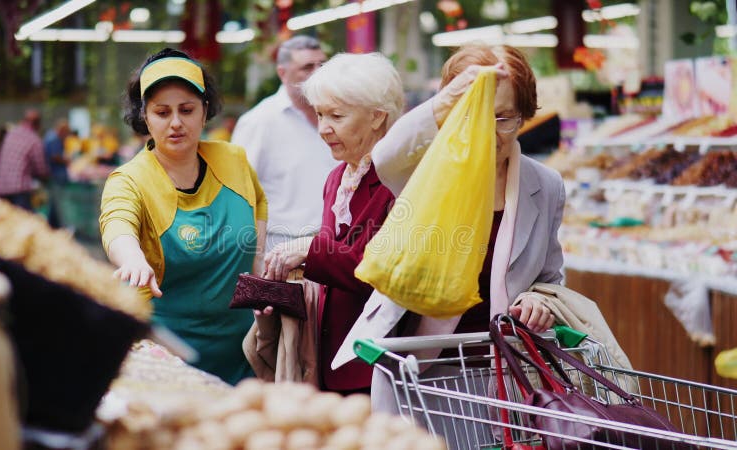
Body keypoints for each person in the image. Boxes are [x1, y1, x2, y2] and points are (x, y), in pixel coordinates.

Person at [334, 44, 565, 410]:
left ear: (524, 115)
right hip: (418, 365)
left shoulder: (546, 185)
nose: (489, 132)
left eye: (503, 118)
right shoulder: (427, 166)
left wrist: (539, 299)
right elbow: (386, 156)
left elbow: (551, 277)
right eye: (475, 115)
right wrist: (451, 98)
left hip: (499, 373)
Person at [99, 48, 268, 385]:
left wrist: (264, 284)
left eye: (187, 110)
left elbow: (257, 215)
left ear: (205, 112)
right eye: (162, 112)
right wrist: (132, 260)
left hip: (244, 351)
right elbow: (117, 223)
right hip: (167, 358)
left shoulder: (233, 161)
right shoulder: (130, 180)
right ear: (145, 117)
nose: (175, 122)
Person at [262, 53, 404, 395]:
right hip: (328, 354)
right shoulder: (337, 177)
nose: (324, 128)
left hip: (374, 364)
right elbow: (336, 259)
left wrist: (311, 250)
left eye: (337, 116)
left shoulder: (399, 181)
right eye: (320, 114)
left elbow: (380, 271)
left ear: (377, 117)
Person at [231, 35, 337, 252]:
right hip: (280, 247)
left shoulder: (338, 115)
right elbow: (238, 193)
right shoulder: (258, 121)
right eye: (307, 67)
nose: (318, 74)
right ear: (282, 73)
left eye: (322, 65)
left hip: (333, 245)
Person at [0, 109, 49, 210]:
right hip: (19, 189)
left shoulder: (11, 134)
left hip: (1, 186)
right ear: (37, 124)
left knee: (6, 222)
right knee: (22, 222)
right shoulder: (34, 139)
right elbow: (41, 169)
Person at [43, 119, 71, 228]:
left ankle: (52, 225)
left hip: (54, 175)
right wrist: (66, 160)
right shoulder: (54, 139)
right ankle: (54, 226)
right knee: (55, 203)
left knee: (54, 203)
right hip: (55, 175)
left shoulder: (51, 137)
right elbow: (54, 156)